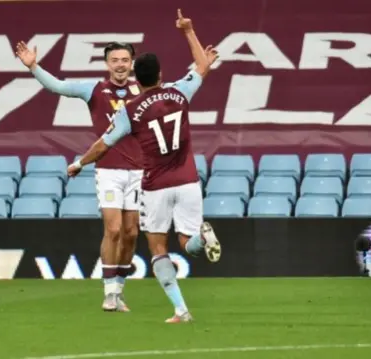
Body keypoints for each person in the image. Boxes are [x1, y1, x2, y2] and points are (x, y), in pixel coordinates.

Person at [67, 9, 221, 323]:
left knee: (158, 248)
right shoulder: (180, 91)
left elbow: (102, 146)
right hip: (189, 180)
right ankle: (200, 238)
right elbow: (203, 65)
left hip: (155, 184)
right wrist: (188, 30)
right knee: (186, 243)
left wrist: (80, 163)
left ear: (138, 76)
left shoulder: (130, 110)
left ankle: (181, 310)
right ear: (161, 75)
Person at [16, 41, 143, 312]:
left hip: (140, 171)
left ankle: (119, 290)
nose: (120, 64)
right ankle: (109, 293)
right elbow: (58, 86)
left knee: (132, 233)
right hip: (108, 169)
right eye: (115, 60)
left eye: (125, 59)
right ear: (107, 64)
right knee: (114, 229)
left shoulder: (143, 88)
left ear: (132, 63)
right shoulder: (95, 89)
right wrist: (34, 67)